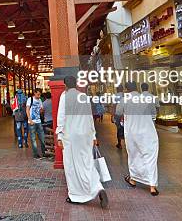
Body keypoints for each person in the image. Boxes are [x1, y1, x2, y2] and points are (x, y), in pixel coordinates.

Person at [56, 76, 108, 208]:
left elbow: (61, 116)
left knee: (72, 166)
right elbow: (90, 118)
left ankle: (76, 195)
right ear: (76, 84)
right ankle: (98, 187)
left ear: (65, 85)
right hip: (85, 135)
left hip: (71, 136)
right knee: (87, 162)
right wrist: (93, 136)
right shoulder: (83, 96)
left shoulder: (64, 96)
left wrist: (59, 135)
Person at [119, 81, 160, 196]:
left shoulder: (125, 100)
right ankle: (152, 186)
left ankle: (133, 179)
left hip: (132, 132)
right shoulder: (146, 99)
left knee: (134, 155)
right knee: (150, 156)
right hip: (148, 132)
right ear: (137, 88)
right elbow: (153, 113)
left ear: (126, 89)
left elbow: (117, 112)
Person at [26, 89, 46, 158]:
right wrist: (30, 120)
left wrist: (41, 110)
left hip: (39, 121)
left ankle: (44, 153)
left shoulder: (40, 100)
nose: (39, 96)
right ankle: (35, 154)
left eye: (40, 95)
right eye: (38, 94)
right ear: (34, 93)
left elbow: (41, 110)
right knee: (33, 139)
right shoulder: (30, 99)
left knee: (42, 138)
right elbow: (27, 109)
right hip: (32, 122)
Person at [111, 84, 125, 149]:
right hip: (125, 114)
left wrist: (112, 115)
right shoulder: (125, 95)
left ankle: (119, 144)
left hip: (118, 114)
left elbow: (114, 106)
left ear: (117, 89)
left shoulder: (115, 96)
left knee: (119, 128)